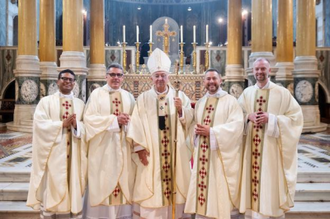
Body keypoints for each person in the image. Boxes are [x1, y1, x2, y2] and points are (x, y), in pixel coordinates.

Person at [127, 48, 193, 219]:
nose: (160, 79)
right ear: (151, 78)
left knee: (176, 184)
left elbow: (190, 122)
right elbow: (136, 123)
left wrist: (181, 111)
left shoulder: (180, 97)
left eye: (163, 75)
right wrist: (139, 147)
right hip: (152, 153)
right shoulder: (143, 98)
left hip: (175, 153)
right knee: (152, 186)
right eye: (157, 76)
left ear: (168, 77)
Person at [238, 58, 303, 219]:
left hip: (271, 150)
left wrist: (272, 118)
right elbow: (236, 116)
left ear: (270, 71)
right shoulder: (247, 93)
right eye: (257, 69)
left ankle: (272, 212)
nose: (260, 72)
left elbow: (296, 118)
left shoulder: (282, 93)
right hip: (251, 150)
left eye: (263, 69)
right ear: (253, 71)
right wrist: (248, 117)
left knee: (270, 180)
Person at [27, 69, 87, 218]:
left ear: (74, 83)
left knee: (72, 183)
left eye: (71, 80)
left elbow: (87, 127)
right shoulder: (46, 102)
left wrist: (76, 126)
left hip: (74, 154)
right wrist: (61, 124)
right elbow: (39, 124)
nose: (68, 82)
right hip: (53, 154)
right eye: (64, 79)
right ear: (58, 81)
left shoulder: (80, 104)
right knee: (52, 185)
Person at [184, 69, 244, 219]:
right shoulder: (200, 103)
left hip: (219, 157)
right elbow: (193, 126)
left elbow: (237, 126)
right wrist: (196, 132)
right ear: (204, 82)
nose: (211, 82)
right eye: (208, 79)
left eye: (214, 79)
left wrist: (212, 132)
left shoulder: (230, 101)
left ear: (220, 80)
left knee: (218, 188)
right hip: (202, 156)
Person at [83, 63, 136, 219]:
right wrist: (114, 120)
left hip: (123, 148)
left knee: (123, 181)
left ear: (123, 78)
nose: (116, 78)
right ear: (106, 76)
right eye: (112, 75)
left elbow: (137, 121)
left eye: (119, 75)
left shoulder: (128, 96)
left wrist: (128, 121)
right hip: (103, 149)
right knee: (102, 180)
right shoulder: (97, 94)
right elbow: (89, 120)